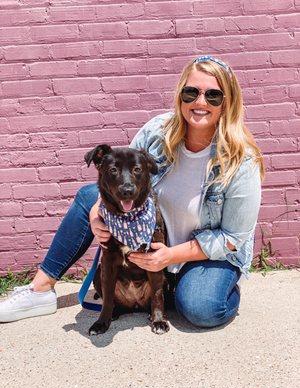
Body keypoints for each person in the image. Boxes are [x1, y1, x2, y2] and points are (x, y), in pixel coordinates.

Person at [0, 55, 264, 328]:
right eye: (191, 92)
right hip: (150, 240)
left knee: (203, 308)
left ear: (227, 102)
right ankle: (40, 290)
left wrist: (171, 256)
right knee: (88, 195)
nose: (200, 102)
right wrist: (96, 214)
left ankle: (206, 286)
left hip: (197, 254)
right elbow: (117, 171)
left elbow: (233, 238)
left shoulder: (241, 161)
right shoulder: (157, 131)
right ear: (180, 96)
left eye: (213, 96)